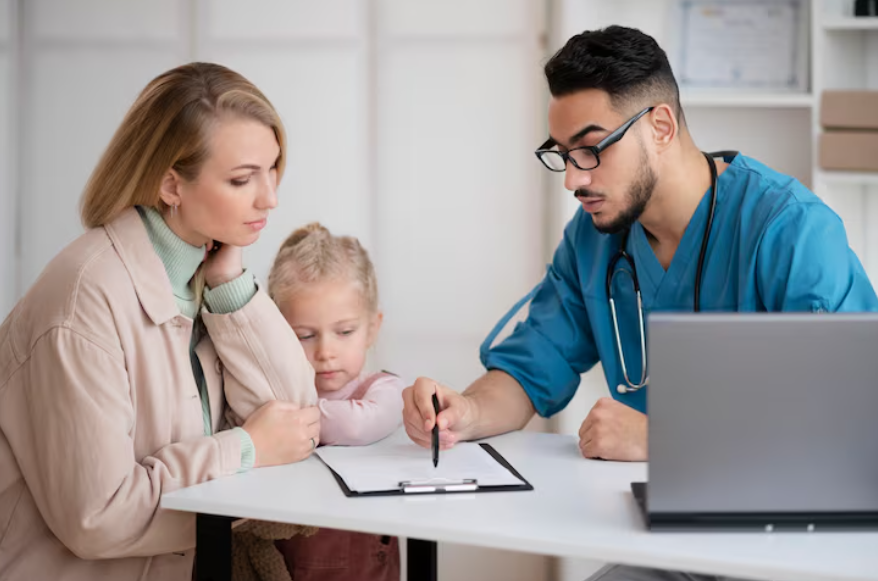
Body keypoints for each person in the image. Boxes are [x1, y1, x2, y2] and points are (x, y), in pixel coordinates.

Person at [401, 26, 878, 581]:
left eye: (591, 149)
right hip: (678, 541)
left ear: (660, 127)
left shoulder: (789, 230)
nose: (573, 179)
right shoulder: (594, 239)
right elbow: (531, 368)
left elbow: (852, 423)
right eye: (563, 155)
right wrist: (467, 412)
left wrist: (665, 438)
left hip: (800, 541)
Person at [0, 62, 320, 581]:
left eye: (272, 170)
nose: (270, 198)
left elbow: (298, 424)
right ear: (172, 184)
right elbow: (98, 517)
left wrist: (231, 286)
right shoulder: (84, 302)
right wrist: (245, 449)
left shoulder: (203, 278)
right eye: (242, 179)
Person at [268, 222, 404, 581]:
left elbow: (358, 424)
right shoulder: (272, 392)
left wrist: (290, 420)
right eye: (304, 335)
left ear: (372, 328)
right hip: (286, 562)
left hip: (363, 566)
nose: (326, 352)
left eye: (344, 332)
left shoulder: (384, 389)